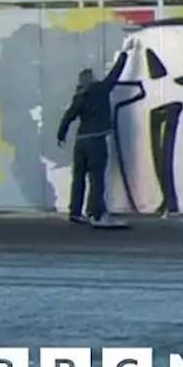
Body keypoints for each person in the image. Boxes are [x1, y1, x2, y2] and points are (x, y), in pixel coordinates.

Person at [56, 37, 138, 227]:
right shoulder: (100, 90)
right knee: (96, 177)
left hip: (81, 141)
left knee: (78, 177)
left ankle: (75, 211)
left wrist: (61, 134)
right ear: (91, 79)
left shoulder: (79, 96)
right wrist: (125, 53)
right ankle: (95, 212)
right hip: (96, 139)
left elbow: (69, 116)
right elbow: (115, 74)